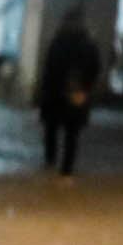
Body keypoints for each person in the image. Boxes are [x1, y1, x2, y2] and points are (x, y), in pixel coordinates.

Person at [36, 15, 107, 177]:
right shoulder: (87, 44)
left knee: (53, 130)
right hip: (75, 93)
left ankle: (51, 160)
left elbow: (49, 69)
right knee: (71, 133)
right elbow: (94, 69)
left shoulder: (58, 42)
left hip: (56, 93)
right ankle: (65, 167)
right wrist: (86, 88)